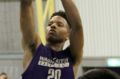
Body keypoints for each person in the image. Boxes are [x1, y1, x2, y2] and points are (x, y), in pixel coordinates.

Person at [20, 0, 84, 79]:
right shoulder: (34, 49)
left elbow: (77, 26)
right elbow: (26, 5)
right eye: (50, 24)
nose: (53, 26)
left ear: (69, 34)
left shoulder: (72, 57)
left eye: (59, 25)